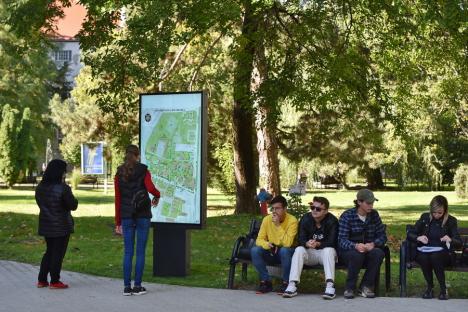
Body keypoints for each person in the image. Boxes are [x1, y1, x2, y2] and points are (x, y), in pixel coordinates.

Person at [114, 145, 160, 296]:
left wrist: (118, 222)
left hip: (126, 216)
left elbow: (118, 199)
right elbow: (151, 188)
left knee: (128, 252)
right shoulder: (143, 170)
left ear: (126, 155)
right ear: (137, 155)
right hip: (142, 215)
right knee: (140, 252)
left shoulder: (119, 172)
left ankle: (127, 287)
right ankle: (138, 286)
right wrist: (157, 195)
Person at [283, 196, 338, 299]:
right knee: (299, 249)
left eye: (318, 209)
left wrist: (318, 244)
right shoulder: (306, 219)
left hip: (326, 255)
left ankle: (330, 286)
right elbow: (300, 239)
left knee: (328, 250)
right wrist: (307, 243)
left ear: (326, 211)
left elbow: (333, 242)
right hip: (310, 253)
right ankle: (292, 285)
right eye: (313, 207)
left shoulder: (332, 221)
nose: (314, 210)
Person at [407, 195, 461, 300]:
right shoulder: (425, 218)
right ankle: (430, 288)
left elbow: (458, 242)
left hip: (444, 254)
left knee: (435, 257)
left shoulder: (451, 221)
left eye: (439, 213)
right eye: (434, 212)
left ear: (445, 210)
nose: (436, 215)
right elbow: (410, 234)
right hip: (425, 251)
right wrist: (419, 237)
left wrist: (450, 239)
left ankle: (443, 289)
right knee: (423, 257)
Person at [36, 159, 78, 289]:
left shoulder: (40, 188)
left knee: (49, 251)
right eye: (64, 171)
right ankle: (55, 281)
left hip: (46, 224)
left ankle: (42, 280)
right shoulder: (63, 188)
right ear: (60, 172)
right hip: (61, 226)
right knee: (58, 253)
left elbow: (41, 203)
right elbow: (73, 205)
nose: (65, 174)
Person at [338, 189, 386, 299]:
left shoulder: (374, 215)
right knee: (357, 255)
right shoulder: (347, 216)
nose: (371, 206)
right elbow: (341, 240)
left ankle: (365, 286)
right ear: (359, 202)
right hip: (349, 251)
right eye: (368, 203)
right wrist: (355, 246)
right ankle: (350, 287)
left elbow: (382, 236)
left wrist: (373, 244)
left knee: (378, 253)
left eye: (372, 203)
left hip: (368, 249)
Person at [250, 195, 298, 294]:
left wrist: (277, 226)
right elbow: (259, 240)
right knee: (255, 250)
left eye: (278, 208)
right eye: (273, 208)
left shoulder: (292, 221)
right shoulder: (267, 219)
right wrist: (266, 244)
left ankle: (286, 283)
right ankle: (266, 282)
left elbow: (288, 243)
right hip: (272, 250)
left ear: (285, 209)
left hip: (287, 253)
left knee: (284, 250)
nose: (274, 211)